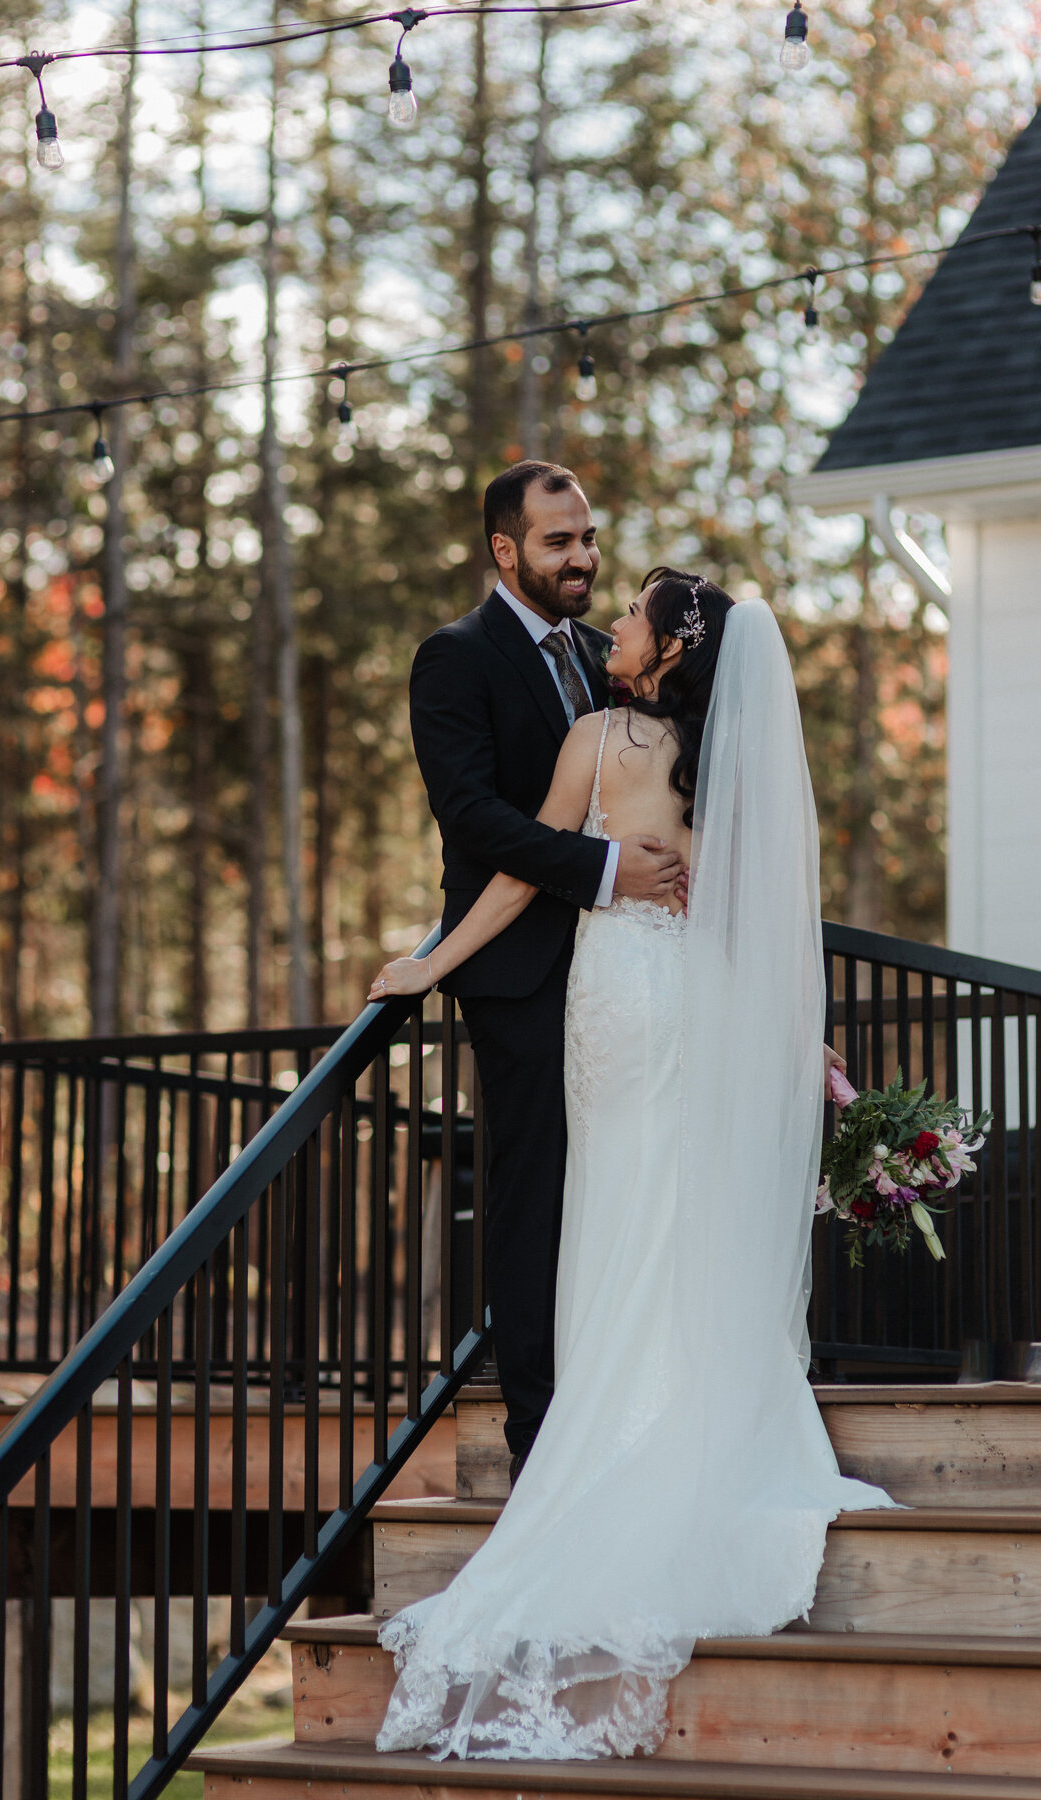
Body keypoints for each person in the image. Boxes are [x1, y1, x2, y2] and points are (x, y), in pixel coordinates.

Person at [367, 571, 897, 1761]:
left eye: (640, 617)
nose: (619, 626)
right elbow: (742, 924)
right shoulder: (720, 765)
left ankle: (612, 1443)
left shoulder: (603, 736)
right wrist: (793, 1034)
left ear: (667, 652)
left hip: (614, 1005)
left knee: (616, 1214)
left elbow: (518, 870)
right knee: (673, 1213)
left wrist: (427, 963)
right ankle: (683, 1425)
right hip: (690, 1005)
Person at [407, 462, 686, 1483]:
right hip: (521, 973)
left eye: (589, 538)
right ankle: (540, 1440)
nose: (584, 557)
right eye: (560, 542)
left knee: (629, 1187)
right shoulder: (455, 659)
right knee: (533, 1201)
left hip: (626, 979)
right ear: (505, 550)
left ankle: (638, 1402)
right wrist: (611, 872)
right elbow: (473, 816)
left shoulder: (605, 658)